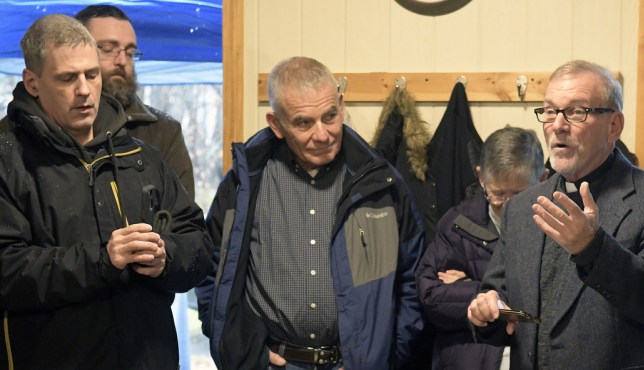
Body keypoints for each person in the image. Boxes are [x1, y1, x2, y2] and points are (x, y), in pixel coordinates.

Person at [0, 14, 212, 370]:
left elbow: (199, 245)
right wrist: (102, 261)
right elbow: (7, 269)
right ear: (32, 83)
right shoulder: (9, 158)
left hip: (148, 358)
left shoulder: (141, 154)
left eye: (92, 75)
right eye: (67, 78)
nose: (84, 90)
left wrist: (166, 257)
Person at [195, 56, 425, 370]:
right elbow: (211, 271)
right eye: (304, 123)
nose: (323, 133)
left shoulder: (381, 184)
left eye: (330, 116)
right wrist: (240, 348)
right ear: (276, 124)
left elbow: (413, 279)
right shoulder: (245, 183)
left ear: (341, 106)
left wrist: (385, 356)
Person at [467, 60, 644, 369]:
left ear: (614, 125)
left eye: (576, 111)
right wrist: (487, 311)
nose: (558, 125)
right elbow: (497, 293)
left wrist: (593, 248)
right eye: (550, 111)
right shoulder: (522, 208)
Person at [417, 125, 547, 370]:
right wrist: (491, 295)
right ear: (481, 178)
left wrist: (473, 288)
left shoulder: (560, 227)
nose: (509, 206)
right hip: (470, 359)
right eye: (498, 195)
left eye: (519, 195)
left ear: (543, 178)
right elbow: (431, 296)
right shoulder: (457, 224)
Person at [74, 5, 195, 199]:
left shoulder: (162, 131)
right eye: (108, 49)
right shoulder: (46, 124)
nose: (122, 61)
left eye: (130, 52)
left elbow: (184, 221)